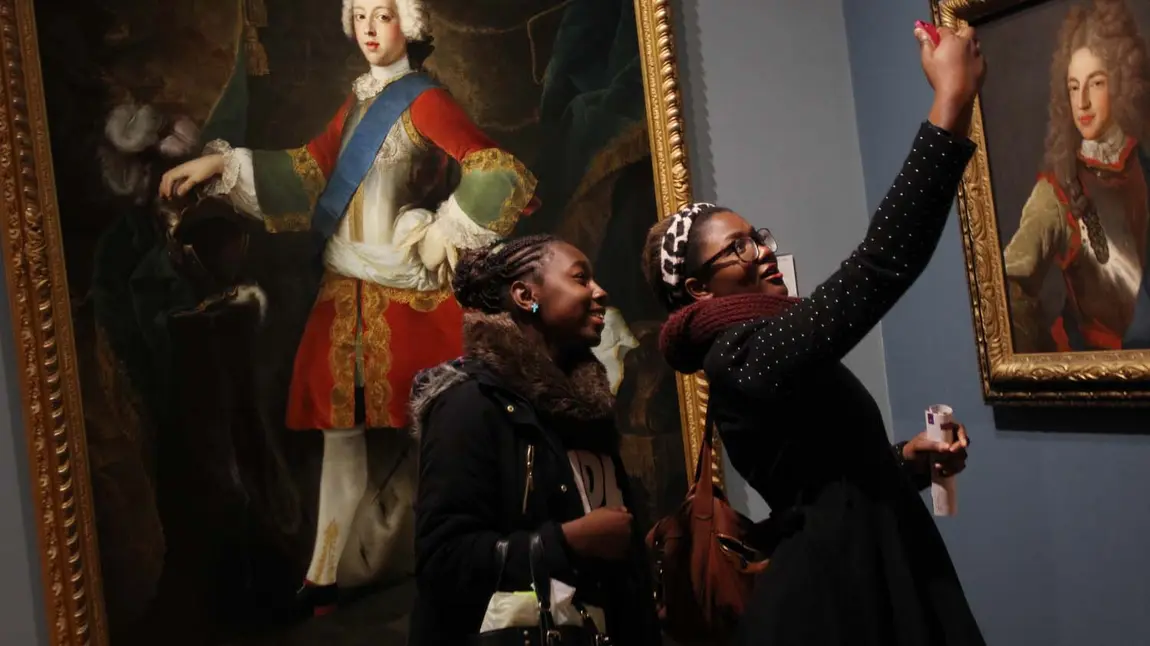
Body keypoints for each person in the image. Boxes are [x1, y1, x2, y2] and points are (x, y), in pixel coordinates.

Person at [157, 0, 539, 614]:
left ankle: (480, 559)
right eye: (359, 15)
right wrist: (218, 165)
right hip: (346, 291)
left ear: (408, 24)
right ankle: (323, 574)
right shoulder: (359, 99)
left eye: (382, 15)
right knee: (340, 435)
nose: (368, 28)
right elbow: (307, 172)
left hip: (408, 291)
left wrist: (449, 228)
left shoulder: (424, 100)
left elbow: (498, 169)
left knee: (441, 434)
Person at [641, 24, 987, 646]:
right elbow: (880, 267)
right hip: (842, 600)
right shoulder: (741, 356)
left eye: (758, 236)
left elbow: (825, 478)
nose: (764, 252)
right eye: (738, 247)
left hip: (877, 567)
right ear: (696, 290)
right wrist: (950, 102)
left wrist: (902, 461)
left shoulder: (761, 346)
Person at [409, 235, 662, 645]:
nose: (600, 292)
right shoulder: (468, 404)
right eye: (581, 278)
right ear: (526, 295)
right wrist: (566, 542)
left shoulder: (588, 413)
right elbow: (443, 561)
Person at [1003, 0, 1150, 352]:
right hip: (1095, 386)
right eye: (1073, 86)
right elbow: (1008, 288)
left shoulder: (1143, 164)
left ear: (1120, 82)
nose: (1081, 102)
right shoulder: (1054, 192)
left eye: (1095, 83)